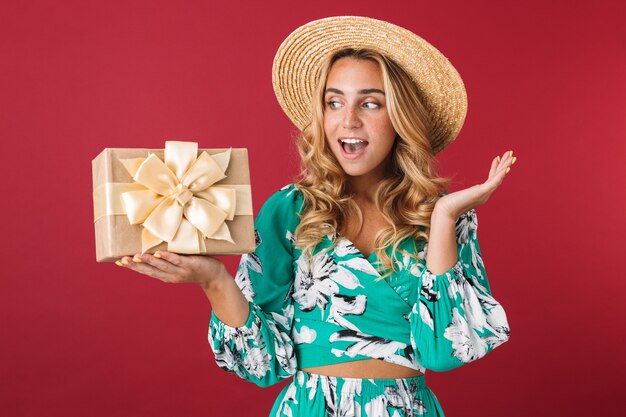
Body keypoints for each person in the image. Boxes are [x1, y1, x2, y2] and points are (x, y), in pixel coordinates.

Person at [116, 16, 514, 417]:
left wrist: (444, 216)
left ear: (401, 116)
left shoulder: (441, 213)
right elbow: (263, 363)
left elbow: (446, 351)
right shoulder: (290, 210)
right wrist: (214, 280)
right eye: (334, 101)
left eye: (370, 103)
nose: (348, 119)